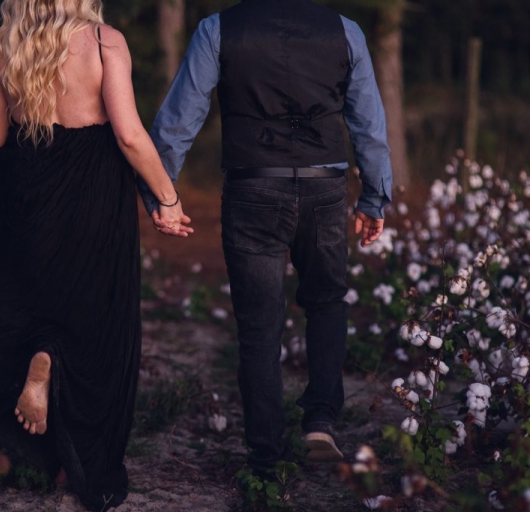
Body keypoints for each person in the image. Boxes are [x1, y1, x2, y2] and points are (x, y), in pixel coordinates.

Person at [0, 0, 192, 510]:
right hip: (95, 194)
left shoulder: (2, 44)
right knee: (94, 316)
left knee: (32, 301)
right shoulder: (105, 42)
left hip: (28, 192)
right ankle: (80, 453)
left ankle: (41, 359)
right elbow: (128, 135)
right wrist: (166, 200)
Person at [138, 0, 392, 479]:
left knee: (259, 325)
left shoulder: (218, 28)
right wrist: (374, 196)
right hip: (323, 184)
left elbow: (179, 119)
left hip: (253, 186)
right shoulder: (346, 31)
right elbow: (368, 125)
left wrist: (160, 194)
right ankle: (320, 420)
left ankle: (264, 457)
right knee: (326, 300)